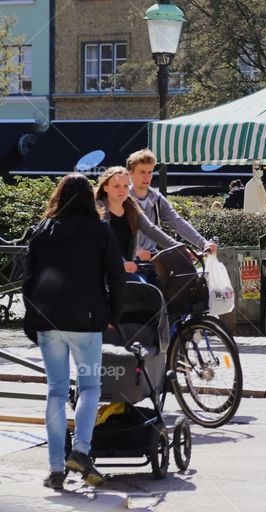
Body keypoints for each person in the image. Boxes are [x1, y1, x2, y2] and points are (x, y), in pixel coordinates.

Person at [21, 174, 126, 489]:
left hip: (48, 322)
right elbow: (117, 277)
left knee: (54, 391)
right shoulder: (100, 231)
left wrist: (32, 317)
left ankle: (55, 469)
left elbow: (28, 280)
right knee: (90, 388)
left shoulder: (41, 231)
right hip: (87, 321)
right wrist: (113, 315)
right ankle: (80, 451)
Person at [126, 149, 217, 256]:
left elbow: (177, 222)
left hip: (152, 258)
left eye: (150, 172)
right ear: (130, 173)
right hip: (126, 260)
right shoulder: (123, 199)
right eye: (142, 172)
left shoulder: (156, 199)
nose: (147, 177)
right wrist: (135, 250)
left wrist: (203, 243)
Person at [94, 166, 178, 275]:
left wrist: (178, 248)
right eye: (116, 186)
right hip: (102, 270)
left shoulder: (131, 206)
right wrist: (121, 261)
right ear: (105, 187)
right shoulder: (99, 209)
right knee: (141, 289)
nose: (122, 190)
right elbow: (105, 242)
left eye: (125, 186)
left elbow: (150, 229)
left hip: (128, 268)